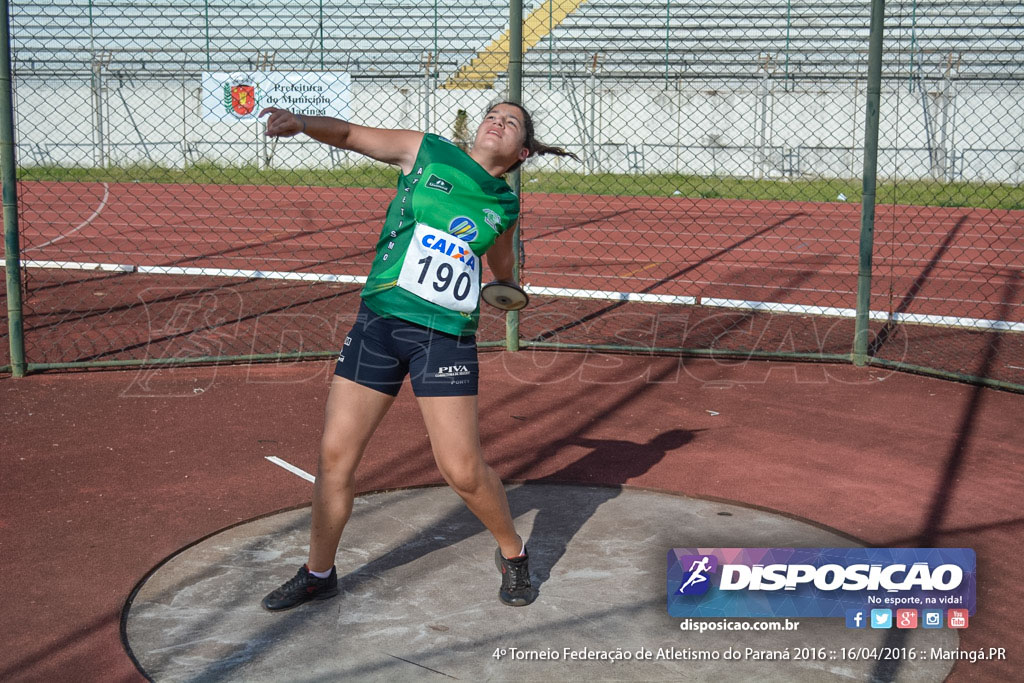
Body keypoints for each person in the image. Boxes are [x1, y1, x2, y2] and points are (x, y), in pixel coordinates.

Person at [258, 101, 578, 611]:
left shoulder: (504, 203)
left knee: (462, 468)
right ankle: (319, 572)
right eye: (492, 114)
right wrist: (300, 123)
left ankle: (513, 554)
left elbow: (500, 258)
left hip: (445, 338)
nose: (497, 121)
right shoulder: (424, 150)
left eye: (511, 122)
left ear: (520, 152)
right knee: (336, 457)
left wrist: (507, 287)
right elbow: (347, 132)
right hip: (379, 324)